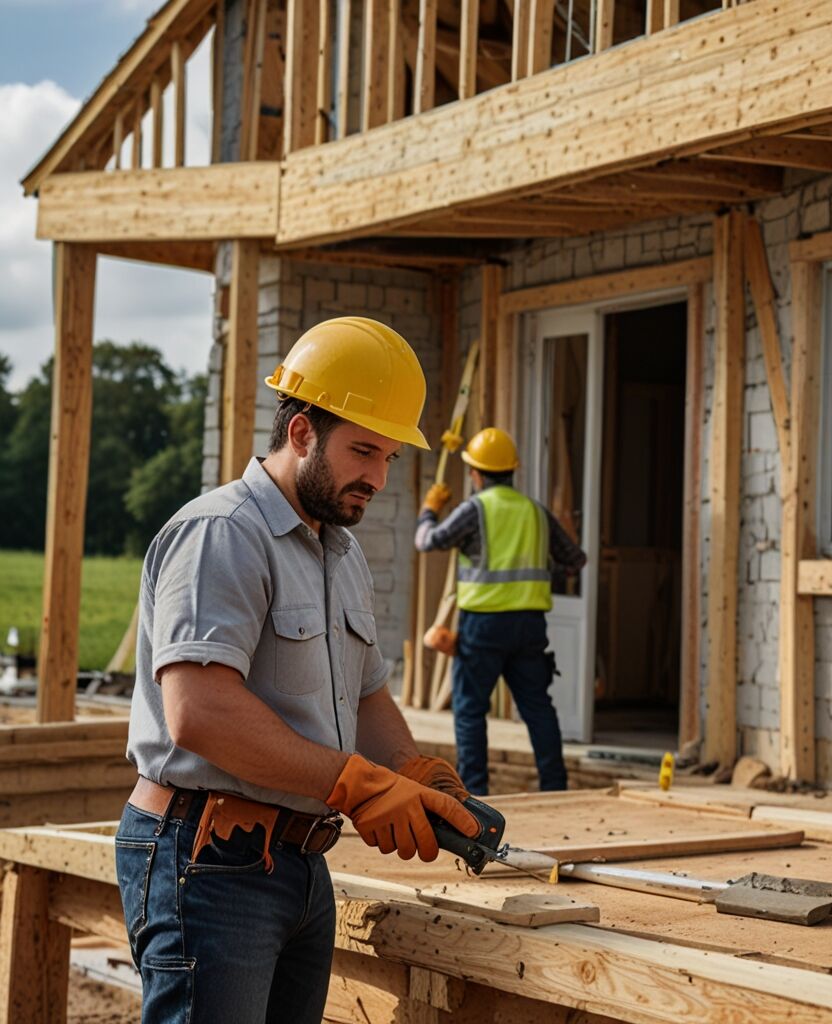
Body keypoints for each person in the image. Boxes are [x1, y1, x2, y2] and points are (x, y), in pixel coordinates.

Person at [115, 317, 478, 1024]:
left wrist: (407, 765)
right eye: (364, 451)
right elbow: (199, 711)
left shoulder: (338, 552)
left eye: (390, 458)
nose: (377, 477)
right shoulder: (222, 533)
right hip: (206, 860)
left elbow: (367, 693)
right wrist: (354, 783)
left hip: (300, 863)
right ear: (302, 432)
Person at [414, 427, 586, 795]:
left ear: (476, 473)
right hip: (529, 625)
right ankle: (555, 788)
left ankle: (475, 791)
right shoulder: (535, 512)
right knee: (538, 708)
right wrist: (544, 572)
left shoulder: (474, 509)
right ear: (511, 470)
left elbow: (427, 542)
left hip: (483, 626)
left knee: (470, 709)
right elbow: (575, 561)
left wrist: (429, 509)